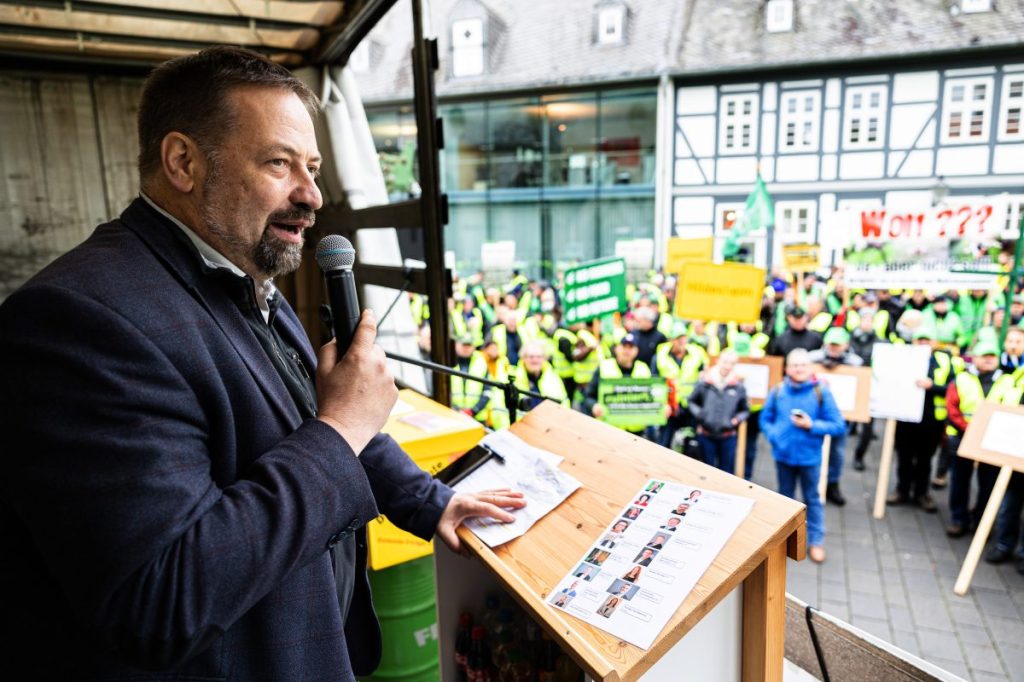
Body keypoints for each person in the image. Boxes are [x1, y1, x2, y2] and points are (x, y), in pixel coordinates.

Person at [0, 47, 526, 680]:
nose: (312, 195)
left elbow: (320, 417)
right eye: (279, 164)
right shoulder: (80, 320)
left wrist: (429, 501)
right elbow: (162, 600)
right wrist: (341, 429)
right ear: (183, 162)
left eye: (313, 167)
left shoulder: (240, 277)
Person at [760, 349, 845, 563]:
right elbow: (765, 418)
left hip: (809, 458)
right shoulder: (778, 390)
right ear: (787, 368)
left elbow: (838, 425)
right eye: (794, 365)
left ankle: (816, 541)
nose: (799, 369)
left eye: (803, 365)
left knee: (812, 499)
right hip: (783, 456)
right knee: (784, 498)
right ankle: (783, 539)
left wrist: (812, 425)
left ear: (810, 368)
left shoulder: (821, 392)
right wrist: (774, 436)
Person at [888, 326, 958, 511]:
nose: (923, 343)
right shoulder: (903, 357)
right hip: (906, 418)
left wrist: (932, 386)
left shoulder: (945, 360)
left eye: (927, 340)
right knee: (904, 456)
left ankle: (921, 493)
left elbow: (954, 387)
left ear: (934, 342)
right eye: (920, 340)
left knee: (925, 459)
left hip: (931, 421)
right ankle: (901, 490)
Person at [943, 340, 1008, 537]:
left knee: (988, 484)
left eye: (992, 356)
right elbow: (952, 408)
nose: (988, 360)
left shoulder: (1006, 381)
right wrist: (971, 430)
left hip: (992, 442)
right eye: (984, 355)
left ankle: (981, 520)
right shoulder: (961, 378)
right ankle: (958, 519)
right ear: (975, 358)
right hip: (962, 438)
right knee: (959, 481)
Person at [808, 327, 864, 506]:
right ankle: (814, 483)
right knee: (814, 449)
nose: (833, 349)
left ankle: (833, 483)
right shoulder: (813, 358)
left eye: (837, 345)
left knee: (838, 453)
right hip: (817, 414)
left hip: (841, 415)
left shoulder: (855, 362)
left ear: (846, 345)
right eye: (831, 344)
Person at [583, 333, 658, 437]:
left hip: (636, 432)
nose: (627, 350)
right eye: (624, 346)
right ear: (617, 348)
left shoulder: (643, 369)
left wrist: (662, 408)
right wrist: (594, 406)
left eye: (631, 347)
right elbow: (589, 396)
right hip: (608, 429)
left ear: (636, 351)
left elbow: (653, 398)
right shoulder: (605, 366)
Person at [688, 349, 750, 473]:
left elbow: (745, 410)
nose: (727, 366)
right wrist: (700, 414)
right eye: (725, 362)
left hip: (728, 437)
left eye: (732, 363)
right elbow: (692, 401)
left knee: (726, 472)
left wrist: (736, 420)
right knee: (706, 471)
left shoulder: (738, 387)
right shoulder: (704, 382)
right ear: (718, 361)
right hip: (706, 435)